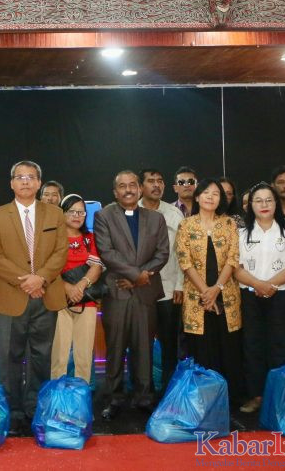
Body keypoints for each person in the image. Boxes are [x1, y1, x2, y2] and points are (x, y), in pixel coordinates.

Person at [0, 159, 65, 431]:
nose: (26, 181)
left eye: (31, 177)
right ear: (11, 183)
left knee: (41, 357)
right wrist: (27, 281)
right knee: (8, 358)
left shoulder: (55, 214)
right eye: (20, 177)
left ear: (39, 182)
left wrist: (40, 278)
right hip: (8, 297)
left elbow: (61, 252)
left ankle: (35, 408)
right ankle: (12, 411)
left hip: (46, 295)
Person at [97, 170, 170, 419]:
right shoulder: (103, 216)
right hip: (117, 291)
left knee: (144, 348)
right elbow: (107, 252)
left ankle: (144, 397)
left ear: (140, 189)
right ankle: (114, 398)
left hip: (145, 292)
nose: (128, 190)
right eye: (122, 186)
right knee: (115, 348)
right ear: (115, 192)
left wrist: (140, 278)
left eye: (132, 185)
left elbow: (162, 253)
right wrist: (135, 275)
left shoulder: (156, 218)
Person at [234, 183, 285, 413]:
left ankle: (281, 396)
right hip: (250, 296)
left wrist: (271, 285)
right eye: (258, 200)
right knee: (253, 344)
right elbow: (236, 267)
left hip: (281, 296)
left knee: (281, 345)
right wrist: (258, 285)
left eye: (269, 200)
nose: (264, 205)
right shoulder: (241, 234)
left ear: (276, 203)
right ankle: (256, 396)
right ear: (250, 205)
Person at [176, 178, 243, 405]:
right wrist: (206, 292)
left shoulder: (229, 224)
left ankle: (229, 402)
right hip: (198, 297)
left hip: (226, 295)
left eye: (216, 194)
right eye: (206, 192)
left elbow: (233, 258)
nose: (210, 197)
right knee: (202, 349)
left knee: (228, 348)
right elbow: (185, 261)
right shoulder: (186, 225)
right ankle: (203, 401)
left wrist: (217, 289)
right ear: (197, 196)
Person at [138, 168, 185, 391]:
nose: (156, 185)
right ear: (141, 186)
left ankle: (168, 391)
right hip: (140, 290)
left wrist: (180, 285)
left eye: (160, 181)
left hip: (169, 290)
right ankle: (143, 392)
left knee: (169, 346)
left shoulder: (174, 214)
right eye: (151, 181)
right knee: (141, 345)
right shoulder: (130, 212)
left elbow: (182, 253)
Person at [49, 194, 103, 382]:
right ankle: (57, 396)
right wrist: (67, 288)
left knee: (84, 356)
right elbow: (48, 268)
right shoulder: (53, 238)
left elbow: (96, 267)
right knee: (59, 355)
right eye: (72, 211)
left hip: (86, 301)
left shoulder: (90, 238)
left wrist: (80, 286)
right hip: (59, 301)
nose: (77, 216)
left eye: (81, 212)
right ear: (62, 213)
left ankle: (81, 396)